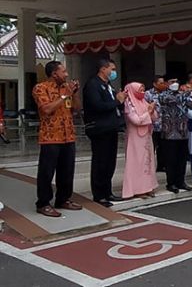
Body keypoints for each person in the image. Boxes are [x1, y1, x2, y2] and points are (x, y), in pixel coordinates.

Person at [33, 61, 83, 217]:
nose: (67, 74)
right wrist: (64, 96)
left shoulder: (66, 88)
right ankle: (43, 203)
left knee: (67, 170)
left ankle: (63, 199)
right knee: (47, 172)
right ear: (54, 74)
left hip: (68, 136)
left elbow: (77, 108)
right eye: (64, 71)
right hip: (50, 137)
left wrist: (73, 93)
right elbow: (46, 109)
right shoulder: (41, 88)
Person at [82, 58, 126, 208]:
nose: (114, 72)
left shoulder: (108, 86)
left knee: (110, 162)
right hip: (99, 128)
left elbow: (114, 106)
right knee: (100, 162)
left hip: (111, 127)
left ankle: (107, 191)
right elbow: (97, 106)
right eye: (112, 69)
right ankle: (99, 194)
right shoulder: (93, 85)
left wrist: (120, 103)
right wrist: (117, 101)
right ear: (103, 69)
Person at [121, 82, 159, 199]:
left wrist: (152, 110)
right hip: (135, 137)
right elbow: (136, 120)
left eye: (143, 90)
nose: (142, 92)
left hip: (146, 135)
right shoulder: (129, 104)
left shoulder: (143, 101)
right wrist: (148, 112)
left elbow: (155, 117)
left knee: (147, 161)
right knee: (136, 162)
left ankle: (147, 187)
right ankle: (136, 189)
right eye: (140, 90)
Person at [158, 78, 192, 194]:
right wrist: (189, 91)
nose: (175, 84)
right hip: (169, 133)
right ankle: (171, 183)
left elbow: (191, 105)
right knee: (171, 159)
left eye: (176, 82)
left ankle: (180, 181)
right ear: (168, 84)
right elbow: (174, 100)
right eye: (172, 82)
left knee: (182, 159)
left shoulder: (182, 95)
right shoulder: (163, 95)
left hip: (182, 132)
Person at [145, 75, 167, 172]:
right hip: (153, 125)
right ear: (155, 84)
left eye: (163, 83)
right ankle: (149, 167)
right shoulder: (148, 94)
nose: (163, 85)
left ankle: (161, 165)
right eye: (160, 83)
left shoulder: (166, 93)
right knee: (151, 147)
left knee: (163, 147)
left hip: (164, 125)